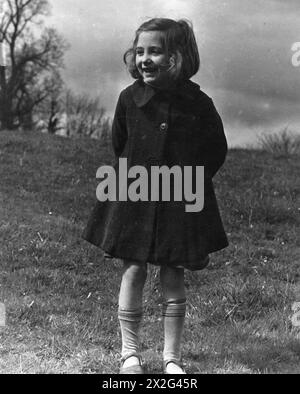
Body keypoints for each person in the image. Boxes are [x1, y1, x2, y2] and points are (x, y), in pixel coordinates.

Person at [82, 18, 228, 374]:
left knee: (172, 273)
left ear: (177, 57)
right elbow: (120, 143)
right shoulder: (129, 98)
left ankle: (171, 358)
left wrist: (188, 181)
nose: (145, 58)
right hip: (134, 196)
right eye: (141, 51)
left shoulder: (198, 102)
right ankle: (129, 354)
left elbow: (215, 149)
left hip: (179, 198)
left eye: (156, 51)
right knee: (133, 269)